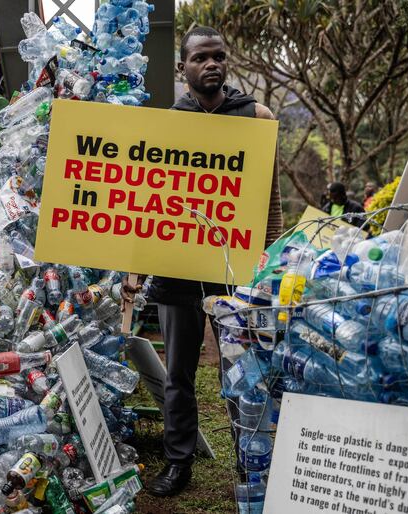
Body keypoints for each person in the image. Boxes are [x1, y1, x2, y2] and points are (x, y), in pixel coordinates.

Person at [123, 26, 283, 497]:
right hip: (175, 271)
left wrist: (270, 259)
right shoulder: (168, 124)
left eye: (218, 57)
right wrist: (135, 268)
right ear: (183, 68)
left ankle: (249, 461)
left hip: (235, 271)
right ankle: (178, 463)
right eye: (200, 58)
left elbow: (269, 199)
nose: (211, 64)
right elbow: (147, 203)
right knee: (178, 375)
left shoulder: (256, 116)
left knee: (243, 372)